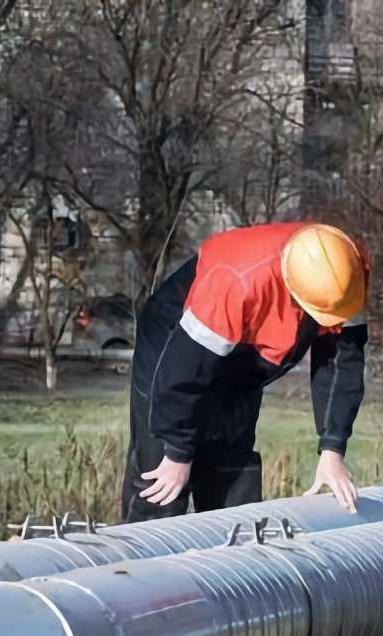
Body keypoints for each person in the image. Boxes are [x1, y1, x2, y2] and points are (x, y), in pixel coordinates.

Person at [121, 222, 370, 523]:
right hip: (175, 342)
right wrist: (176, 452)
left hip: (246, 360)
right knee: (162, 483)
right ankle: (142, 564)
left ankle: (232, 560)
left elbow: (341, 361)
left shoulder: (347, 275)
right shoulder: (235, 282)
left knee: (231, 475)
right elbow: (183, 372)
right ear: (291, 288)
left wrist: (333, 449)